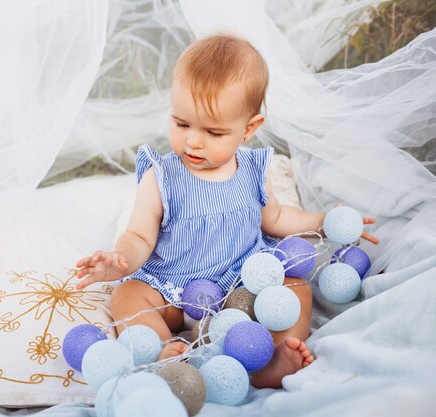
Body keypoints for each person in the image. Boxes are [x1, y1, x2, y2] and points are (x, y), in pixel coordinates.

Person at [75, 34, 378, 388]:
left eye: (213, 132)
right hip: (175, 288)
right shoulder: (161, 176)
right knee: (127, 296)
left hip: (243, 286)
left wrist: (325, 222)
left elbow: (277, 219)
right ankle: (165, 350)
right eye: (182, 123)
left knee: (296, 290)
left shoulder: (251, 171)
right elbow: (140, 234)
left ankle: (270, 359)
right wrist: (118, 259)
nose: (193, 141)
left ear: (248, 129)